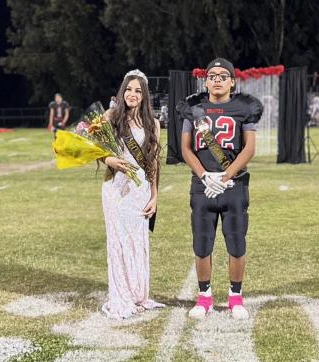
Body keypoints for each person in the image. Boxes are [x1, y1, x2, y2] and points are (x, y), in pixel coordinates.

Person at [177, 58, 263, 320]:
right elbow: (185, 148)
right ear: (206, 80)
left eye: (222, 75)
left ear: (232, 81)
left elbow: (249, 147)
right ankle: (204, 297)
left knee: (236, 243)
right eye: (212, 75)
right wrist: (204, 176)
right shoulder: (194, 106)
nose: (216, 79)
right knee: (202, 244)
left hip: (233, 185)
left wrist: (226, 176)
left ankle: (235, 297)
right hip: (202, 186)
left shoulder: (243, 107)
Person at [99, 69, 165, 319]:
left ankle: (138, 294)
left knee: (137, 242)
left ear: (144, 95)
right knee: (118, 241)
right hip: (115, 188)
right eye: (128, 89)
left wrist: (155, 196)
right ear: (122, 91)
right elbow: (95, 150)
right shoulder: (110, 117)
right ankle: (121, 295)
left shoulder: (153, 124)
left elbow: (154, 164)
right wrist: (109, 160)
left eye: (138, 91)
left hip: (140, 191)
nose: (132, 94)